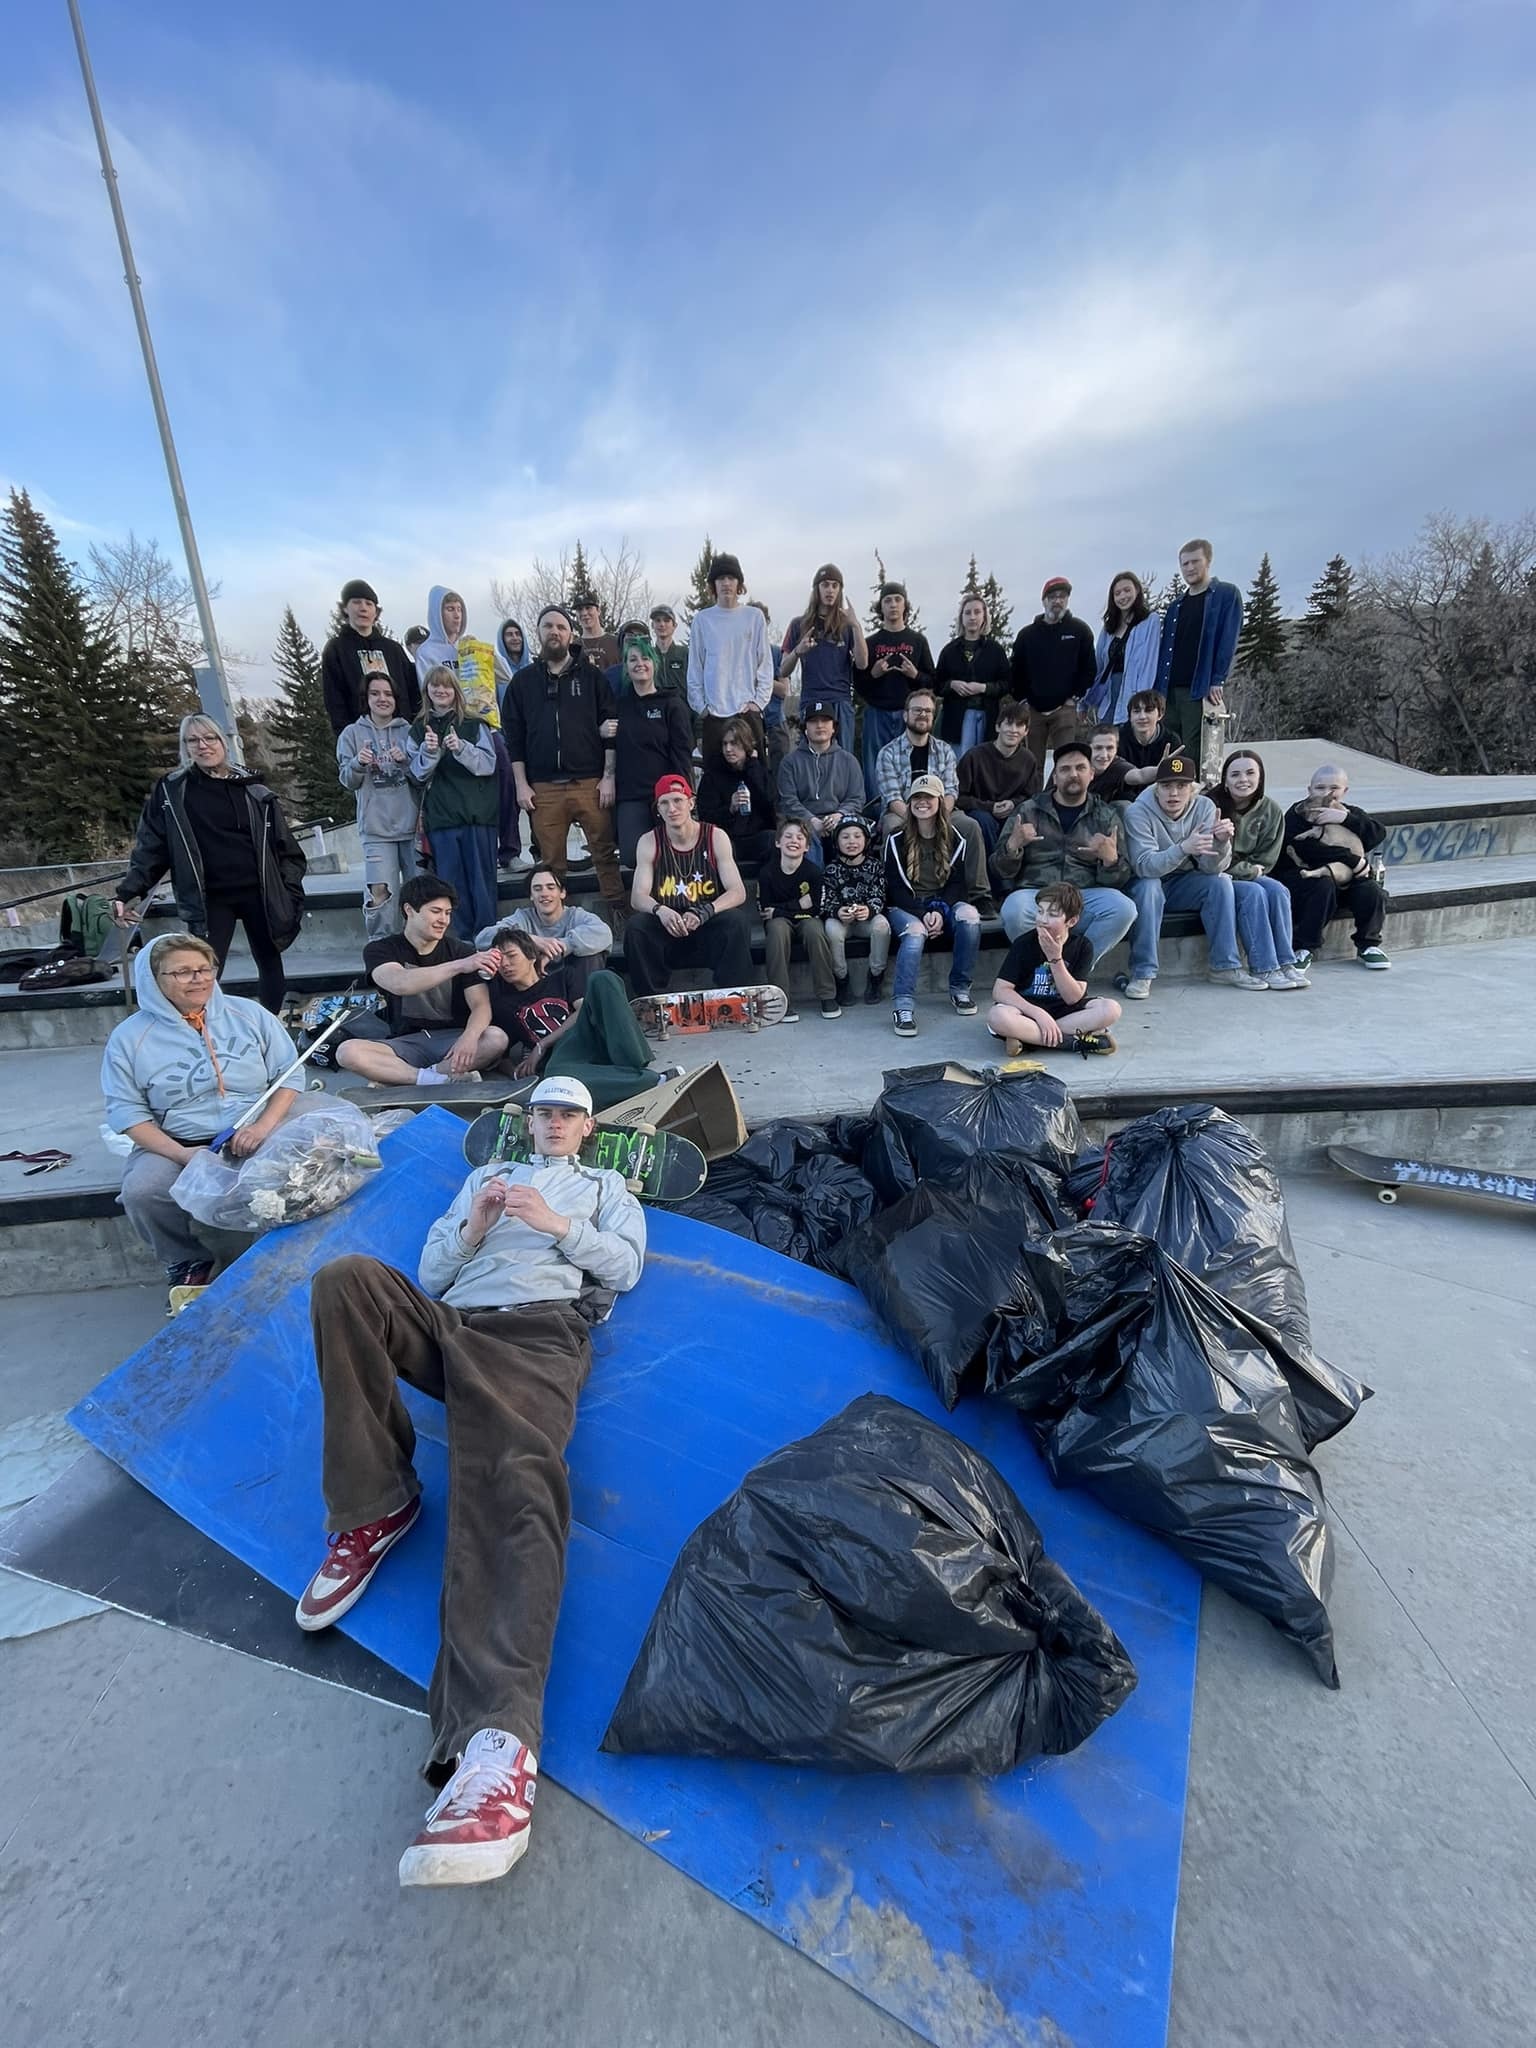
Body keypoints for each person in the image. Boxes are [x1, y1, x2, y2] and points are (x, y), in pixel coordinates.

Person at [295, 1072, 645, 1889]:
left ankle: (497, 1741)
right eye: (542, 1113)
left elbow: (624, 1270)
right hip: (458, 1325)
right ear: (526, 1124)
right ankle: (376, 1503)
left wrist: (555, 1224)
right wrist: (480, 1223)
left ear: (587, 1128)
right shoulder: (481, 1180)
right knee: (346, 1279)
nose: (553, 1124)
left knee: (517, 1484)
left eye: (567, 1114)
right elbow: (433, 1273)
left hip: (538, 1338)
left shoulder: (607, 1189)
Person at [101, 933, 302, 1306]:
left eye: (204, 969)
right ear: (155, 980)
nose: (198, 979)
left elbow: (290, 1075)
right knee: (143, 1191)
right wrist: (182, 1155)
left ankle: (292, 1252)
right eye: (182, 972)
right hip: (178, 1139)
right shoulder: (128, 1039)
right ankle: (187, 1261)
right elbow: (128, 1114)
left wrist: (262, 1127)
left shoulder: (250, 1014)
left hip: (257, 1124)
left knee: (313, 1153)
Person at [113, 714, 306, 1016]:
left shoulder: (251, 788)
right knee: (203, 968)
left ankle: (271, 1023)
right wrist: (128, 892)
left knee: (269, 959)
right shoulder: (173, 791)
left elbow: (286, 847)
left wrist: (290, 890)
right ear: (185, 747)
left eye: (210, 738)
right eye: (194, 740)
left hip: (260, 891)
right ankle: (207, 1026)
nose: (203, 746)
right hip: (210, 897)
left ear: (223, 742)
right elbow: (152, 847)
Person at [992, 740, 1159, 989]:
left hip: (1083, 895)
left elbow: (1119, 880)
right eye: (1065, 769)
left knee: (1124, 908)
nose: (1073, 774)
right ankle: (1038, 970)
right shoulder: (1029, 810)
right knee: (1014, 909)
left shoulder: (1105, 815)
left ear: (1091, 774)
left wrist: (1110, 859)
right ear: (1055, 776)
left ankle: (1072, 969)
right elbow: (1000, 869)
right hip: (1038, 892)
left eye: (1080, 768)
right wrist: (1013, 846)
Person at [502, 607, 625, 917]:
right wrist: (521, 785)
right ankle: (558, 923)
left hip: (590, 782)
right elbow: (513, 740)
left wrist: (608, 777)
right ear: (539, 632)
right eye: (548, 626)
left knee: (605, 854)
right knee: (551, 864)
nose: (554, 631)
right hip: (543, 787)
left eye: (560, 626)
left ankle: (618, 914)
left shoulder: (592, 677)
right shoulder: (523, 683)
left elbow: (610, 728)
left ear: (571, 634)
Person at [337, 872, 508, 1087]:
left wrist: (470, 1037)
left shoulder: (461, 950)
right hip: (405, 1042)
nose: (443, 920)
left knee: (496, 1038)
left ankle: (414, 1077)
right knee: (348, 1052)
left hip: (452, 1040)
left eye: (447, 913)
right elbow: (400, 983)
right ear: (409, 910)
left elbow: (480, 1005)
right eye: (436, 911)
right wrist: (460, 965)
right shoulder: (381, 949)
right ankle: (437, 1079)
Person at [1122, 753, 1270, 995]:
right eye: (1166, 786)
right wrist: (1182, 848)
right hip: (1146, 882)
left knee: (1220, 883)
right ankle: (1142, 972)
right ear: (1155, 788)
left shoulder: (1205, 807)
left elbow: (1212, 868)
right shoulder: (1138, 812)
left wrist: (1221, 844)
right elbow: (1144, 866)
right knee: (1149, 887)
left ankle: (1224, 966)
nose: (1174, 793)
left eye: (1181, 786)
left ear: (1192, 789)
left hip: (1183, 883)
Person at [484, 931, 661, 1106]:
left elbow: (581, 1010)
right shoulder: (504, 1004)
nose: (505, 964)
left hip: (587, 1035)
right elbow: (501, 1057)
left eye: (511, 956)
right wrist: (516, 1073)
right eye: (499, 960)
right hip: (564, 1059)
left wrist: (542, 1044)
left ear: (531, 956)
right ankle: (653, 1080)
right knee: (556, 1077)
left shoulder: (562, 977)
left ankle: (634, 1064)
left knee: (603, 978)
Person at [625, 775, 754, 996]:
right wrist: (661, 910)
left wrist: (706, 911)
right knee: (637, 927)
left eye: (678, 800)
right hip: (668, 926)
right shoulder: (649, 841)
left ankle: (734, 995)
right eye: (664, 803)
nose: (672, 808)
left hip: (705, 923)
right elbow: (638, 896)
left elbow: (738, 891)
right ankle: (651, 1001)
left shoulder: (715, 836)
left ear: (691, 803)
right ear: (658, 809)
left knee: (736, 922)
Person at [882, 775, 984, 1035]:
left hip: (941, 905)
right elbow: (894, 889)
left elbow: (958, 885)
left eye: (928, 797)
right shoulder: (896, 839)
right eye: (916, 797)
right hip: (906, 907)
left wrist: (939, 910)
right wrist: (923, 914)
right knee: (915, 934)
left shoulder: (956, 838)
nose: (922, 802)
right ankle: (903, 1005)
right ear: (909, 803)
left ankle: (960, 989)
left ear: (940, 802)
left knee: (970, 917)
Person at [874, 687, 992, 900]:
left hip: (942, 812)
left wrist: (938, 818)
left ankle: (980, 895)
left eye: (928, 711)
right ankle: (893, 896)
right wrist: (917, 818)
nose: (923, 715)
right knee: (892, 828)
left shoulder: (944, 750)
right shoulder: (888, 752)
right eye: (917, 710)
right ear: (905, 714)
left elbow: (950, 790)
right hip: (903, 813)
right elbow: (893, 798)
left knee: (971, 826)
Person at [408, 667, 499, 942]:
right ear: (427, 691)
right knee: (450, 885)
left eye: (447, 686)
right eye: (435, 686)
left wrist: (461, 748)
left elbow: (488, 764)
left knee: (481, 884)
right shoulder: (417, 728)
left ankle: (486, 939)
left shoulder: (475, 723)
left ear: (456, 690)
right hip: (442, 820)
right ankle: (458, 942)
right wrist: (430, 751)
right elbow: (416, 773)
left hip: (478, 816)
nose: (441, 691)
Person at [988, 882, 1122, 1058]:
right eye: (1040, 911)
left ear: (1071, 921)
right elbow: (1000, 990)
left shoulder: (1082, 945)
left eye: (1052, 915)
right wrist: (1039, 1014)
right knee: (997, 1016)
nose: (1042, 919)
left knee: (1111, 1009)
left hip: (1065, 1012)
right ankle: (1072, 1042)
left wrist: (1055, 958)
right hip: (1028, 1010)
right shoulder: (1024, 943)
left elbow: (1073, 998)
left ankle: (1026, 1038)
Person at [1279, 764, 1391, 971]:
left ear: (1344, 791)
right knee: (1322, 884)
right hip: (1308, 879)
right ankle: (1304, 947)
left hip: (1347, 880)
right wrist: (1353, 860)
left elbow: (1378, 834)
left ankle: (1368, 945)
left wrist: (1345, 819)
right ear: (1309, 790)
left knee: (1372, 890)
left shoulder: (1350, 813)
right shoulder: (1298, 814)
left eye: (1334, 788)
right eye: (1320, 788)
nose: (1327, 794)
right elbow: (1302, 847)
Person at [1214, 752, 1310, 988]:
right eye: (1235, 774)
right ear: (1225, 780)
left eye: (1250, 773)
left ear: (1261, 777)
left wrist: (1251, 870)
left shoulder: (1271, 810)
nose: (1242, 779)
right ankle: (1264, 967)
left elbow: (1266, 860)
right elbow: (1210, 856)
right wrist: (1247, 871)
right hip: (1218, 875)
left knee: (1278, 890)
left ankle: (1285, 963)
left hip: (1252, 872)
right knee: (1253, 893)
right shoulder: (1212, 805)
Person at [337, 673, 421, 941]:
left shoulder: (409, 731)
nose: (382, 699)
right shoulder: (351, 734)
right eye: (376, 693)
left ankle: (420, 952)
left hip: (412, 828)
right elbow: (347, 781)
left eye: (388, 694)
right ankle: (383, 957)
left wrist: (406, 762)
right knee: (380, 896)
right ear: (366, 698)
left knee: (419, 895)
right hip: (376, 831)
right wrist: (357, 764)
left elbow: (423, 777)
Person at [609, 636, 695, 867]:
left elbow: (682, 752)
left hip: (666, 795)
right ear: (626, 666)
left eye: (645, 658)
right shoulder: (620, 706)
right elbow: (609, 746)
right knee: (631, 856)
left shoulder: (672, 703)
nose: (640, 663)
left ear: (654, 663)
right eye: (633, 659)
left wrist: (683, 792)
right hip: (631, 795)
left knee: (672, 853)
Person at [1155, 540, 1243, 752]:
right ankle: (1172, 786)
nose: (1190, 568)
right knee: (1170, 748)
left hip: (1198, 690)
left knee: (1194, 749)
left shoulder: (1226, 594)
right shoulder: (1176, 606)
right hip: (1169, 690)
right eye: (1184, 564)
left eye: (1195, 561)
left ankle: (1194, 786)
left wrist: (1217, 679)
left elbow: (1227, 639)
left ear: (1208, 561)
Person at [686, 552, 774, 760]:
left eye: (731, 578)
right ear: (713, 584)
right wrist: (702, 707)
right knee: (716, 782)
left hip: (747, 713)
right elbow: (695, 669)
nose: (726, 583)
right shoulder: (702, 620)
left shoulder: (754, 617)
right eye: (720, 578)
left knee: (755, 780)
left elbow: (765, 664)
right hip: (715, 715)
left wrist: (758, 703)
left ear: (739, 584)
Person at [475, 868, 612, 999]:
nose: (544, 893)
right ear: (531, 895)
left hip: (573, 980)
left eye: (551, 887)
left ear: (562, 892)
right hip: (535, 984)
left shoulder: (576, 916)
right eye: (537, 889)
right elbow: (482, 939)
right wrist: (530, 939)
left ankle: (588, 1011)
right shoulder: (522, 918)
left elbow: (604, 933)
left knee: (591, 956)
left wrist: (562, 946)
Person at [778, 564, 868, 755]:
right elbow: (783, 670)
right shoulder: (798, 624)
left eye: (835, 586)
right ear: (817, 588)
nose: (830, 590)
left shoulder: (847, 625)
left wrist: (856, 627)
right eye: (825, 585)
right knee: (811, 763)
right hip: (811, 701)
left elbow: (862, 663)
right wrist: (798, 651)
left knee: (842, 762)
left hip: (840, 702)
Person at [759, 818, 842, 1020]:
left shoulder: (812, 872)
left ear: (806, 846)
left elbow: (814, 909)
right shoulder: (767, 873)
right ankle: (781, 999)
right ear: (778, 842)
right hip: (780, 922)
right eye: (788, 836)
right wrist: (796, 906)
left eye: (800, 837)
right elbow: (765, 911)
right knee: (776, 930)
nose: (793, 840)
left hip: (807, 919)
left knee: (815, 930)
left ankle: (827, 995)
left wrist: (781, 910)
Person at [1010, 577, 1095, 771]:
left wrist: (1075, 696)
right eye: (1052, 596)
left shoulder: (1080, 631)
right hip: (1033, 710)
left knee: (1064, 762)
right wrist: (1022, 699)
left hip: (1064, 709)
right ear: (1044, 601)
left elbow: (1089, 668)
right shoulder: (1027, 635)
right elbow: (1016, 670)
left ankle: (1061, 799)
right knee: (1032, 764)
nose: (1057, 601)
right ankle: (1033, 800)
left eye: (1062, 596)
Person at [859, 581, 935, 791]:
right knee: (875, 765)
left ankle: (910, 812)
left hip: (909, 714)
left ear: (905, 605)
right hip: (877, 713)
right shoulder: (871, 643)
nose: (893, 604)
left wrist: (915, 675)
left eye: (897, 599)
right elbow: (859, 685)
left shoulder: (917, 641)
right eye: (887, 600)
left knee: (910, 764)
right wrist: (874, 674)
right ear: (881, 607)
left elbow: (932, 681)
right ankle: (877, 814)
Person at [321, 578, 421, 735]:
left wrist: (414, 727)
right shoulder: (336, 649)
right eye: (356, 602)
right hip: (361, 737)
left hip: (401, 734)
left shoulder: (393, 649)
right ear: (345, 608)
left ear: (376, 611)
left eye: (369, 604)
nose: (363, 608)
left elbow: (412, 690)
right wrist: (345, 736)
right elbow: (334, 699)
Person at [778, 698, 866, 865]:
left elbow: (857, 798)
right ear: (805, 729)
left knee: (849, 836)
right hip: (804, 823)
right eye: (813, 721)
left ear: (833, 728)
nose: (819, 725)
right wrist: (812, 822)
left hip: (840, 820)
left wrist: (839, 815)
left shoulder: (849, 761)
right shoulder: (789, 762)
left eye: (825, 720)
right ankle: (816, 888)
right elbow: (788, 801)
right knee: (806, 838)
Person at [820, 812, 891, 1006]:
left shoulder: (876, 866)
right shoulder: (831, 869)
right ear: (837, 842)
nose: (852, 841)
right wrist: (837, 912)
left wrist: (869, 909)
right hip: (843, 921)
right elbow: (826, 900)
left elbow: (880, 895)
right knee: (831, 929)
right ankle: (841, 979)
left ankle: (876, 976)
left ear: (866, 840)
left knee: (882, 926)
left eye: (857, 836)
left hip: (866, 920)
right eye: (845, 836)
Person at [956, 696, 1041, 853]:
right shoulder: (974, 756)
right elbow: (959, 797)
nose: (1013, 730)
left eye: (1019, 725)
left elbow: (1033, 797)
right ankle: (992, 871)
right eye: (1008, 724)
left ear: (1026, 731)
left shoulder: (1028, 759)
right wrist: (990, 807)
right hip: (980, 813)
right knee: (984, 821)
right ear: (997, 727)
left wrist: (1013, 804)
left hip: (1014, 813)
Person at [696, 716, 777, 867]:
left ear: (746, 744)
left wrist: (752, 766)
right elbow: (705, 816)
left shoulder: (759, 770)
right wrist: (730, 808)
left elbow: (770, 802)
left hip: (756, 836)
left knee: (775, 841)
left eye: (734, 743)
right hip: (726, 838)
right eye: (725, 744)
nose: (728, 749)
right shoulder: (713, 775)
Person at [414, 587, 498, 724]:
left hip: (481, 719)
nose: (457, 615)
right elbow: (427, 692)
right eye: (450, 609)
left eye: (459, 609)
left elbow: (506, 676)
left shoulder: (468, 646)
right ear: (438, 614)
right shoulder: (427, 652)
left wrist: (482, 650)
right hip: (448, 722)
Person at [1087, 573, 1161, 727]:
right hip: (1109, 696)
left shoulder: (1150, 621)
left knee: (1129, 745)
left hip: (1133, 693)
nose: (1123, 596)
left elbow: (1149, 664)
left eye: (1127, 590)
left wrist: (1142, 703)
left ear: (1137, 591)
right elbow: (1098, 664)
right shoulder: (1109, 628)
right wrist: (1084, 701)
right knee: (1107, 743)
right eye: (1117, 593)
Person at [493, 619, 535, 874]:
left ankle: (540, 849)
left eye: (517, 633)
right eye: (508, 634)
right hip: (507, 741)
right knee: (509, 798)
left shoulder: (535, 668)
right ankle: (509, 853)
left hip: (535, 742)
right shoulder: (496, 668)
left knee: (537, 798)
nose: (514, 638)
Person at [747, 598, 791, 773]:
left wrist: (760, 679)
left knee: (781, 772)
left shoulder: (776, 652)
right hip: (747, 722)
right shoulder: (737, 654)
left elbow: (783, 690)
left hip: (775, 721)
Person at [1117, 690, 1176, 790]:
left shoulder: (1171, 740)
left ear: (1160, 715)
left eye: (1149, 710)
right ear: (1129, 716)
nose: (1142, 717)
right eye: (1136, 711)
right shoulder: (1118, 739)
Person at [648, 604, 690, 699]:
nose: (662, 624)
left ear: (674, 625)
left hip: (682, 710)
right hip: (655, 709)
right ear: (652, 625)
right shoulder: (648, 656)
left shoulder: (685, 653)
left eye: (666, 620)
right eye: (658, 620)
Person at [1088, 723, 1135, 804]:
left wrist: (1162, 769)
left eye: (1109, 748)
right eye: (1098, 748)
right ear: (1088, 748)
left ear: (1117, 749)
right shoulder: (1076, 763)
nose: (1103, 755)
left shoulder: (1117, 765)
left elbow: (1140, 775)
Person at [574, 594, 620, 673]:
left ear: (598, 610)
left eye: (588, 608)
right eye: (580, 609)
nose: (584, 613)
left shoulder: (616, 643)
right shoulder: (573, 648)